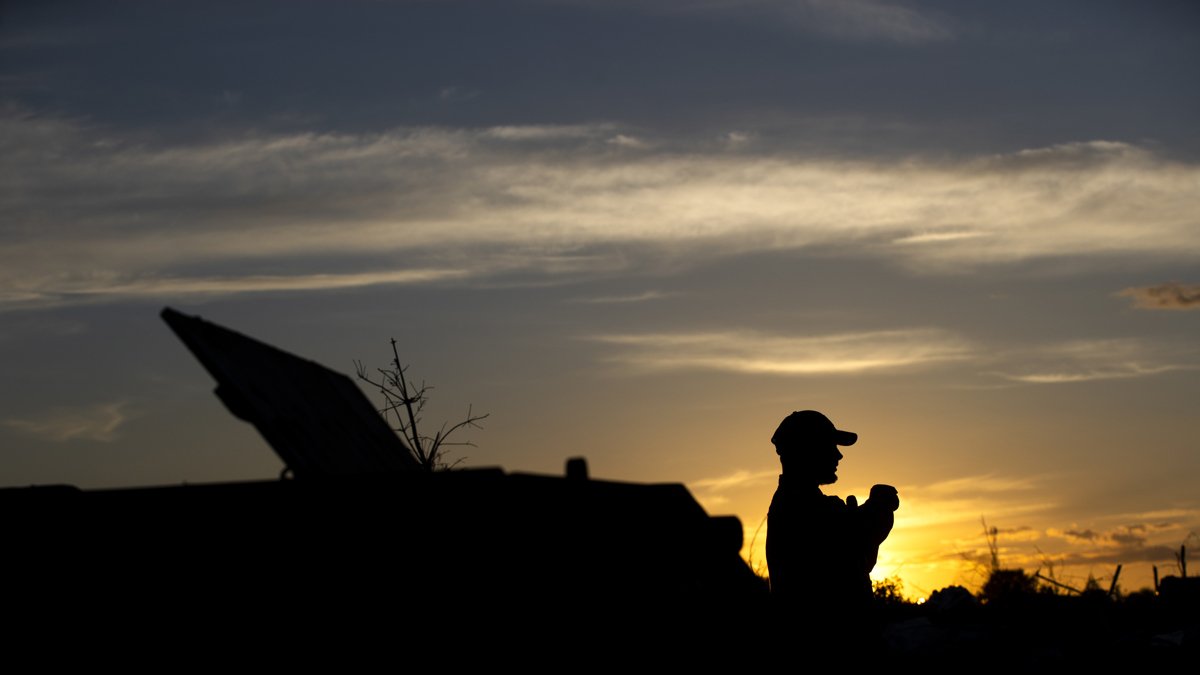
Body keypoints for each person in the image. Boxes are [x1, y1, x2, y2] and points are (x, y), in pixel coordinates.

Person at [766, 410, 899, 627]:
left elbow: (853, 551)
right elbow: (849, 555)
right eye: (830, 446)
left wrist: (871, 513)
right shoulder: (802, 509)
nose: (839, 455)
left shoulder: (802, 505)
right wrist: (877, 510)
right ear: (808, 450)